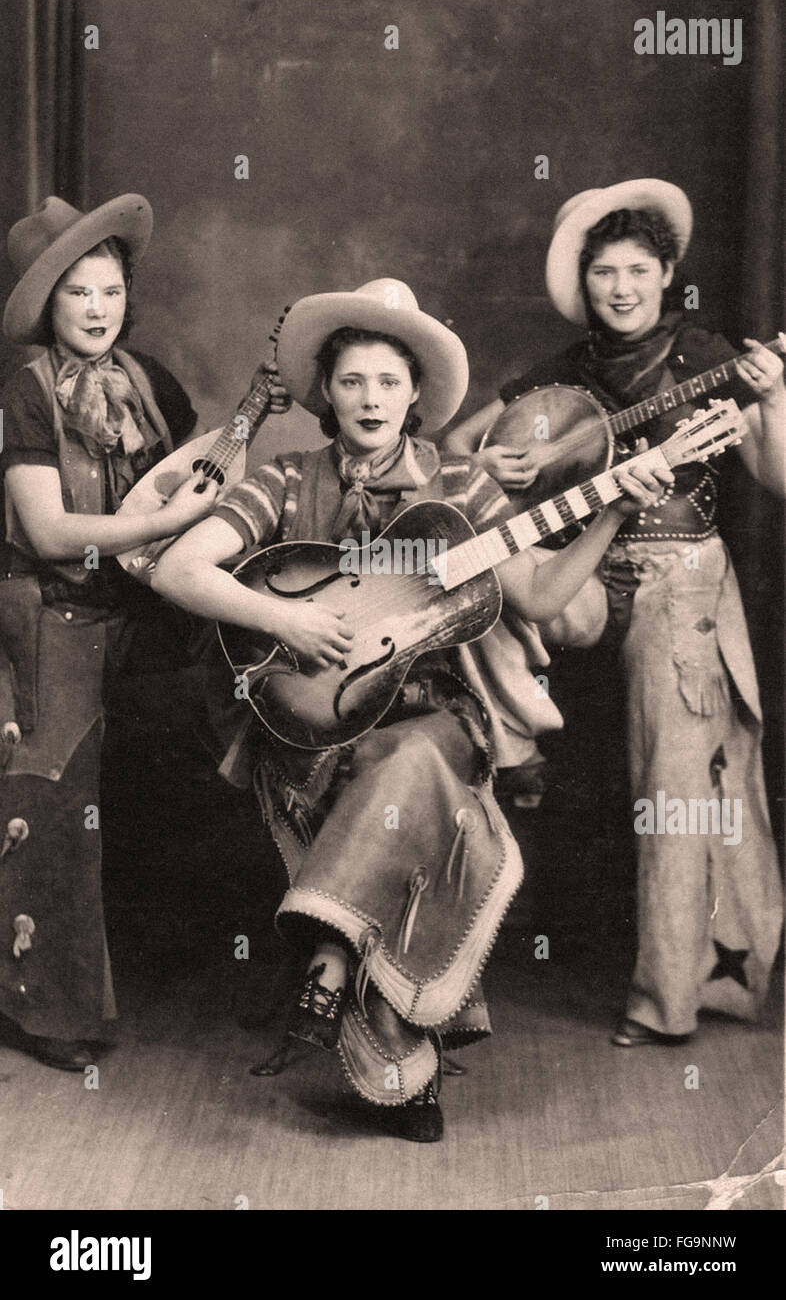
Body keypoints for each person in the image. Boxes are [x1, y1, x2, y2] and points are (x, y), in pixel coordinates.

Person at [151, 276, 668, 1140]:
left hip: (433, 716)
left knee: (415, 759)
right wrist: (285, 615)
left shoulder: (461, 486)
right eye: (352, 381)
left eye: (389, 382)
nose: (370, 400)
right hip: (317, 721)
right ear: (326, 392)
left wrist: (611, 508)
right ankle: (394, 1058)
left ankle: (329, 954)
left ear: (415, 393)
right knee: (402, 776)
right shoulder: (285, 479)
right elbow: (177, 569)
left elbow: (538, 595)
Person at [444, 179, 784, 1046]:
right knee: (468, 592)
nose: (622, 288)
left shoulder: (709, 356)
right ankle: (508, 742)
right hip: (588, 570)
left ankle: (667, 1001)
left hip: (682, 578)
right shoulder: (569, 369)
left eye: (638, 270)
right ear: (584, 282)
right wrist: (505, 464)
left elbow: (779, 479)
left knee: (673, 789)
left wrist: (773, 399)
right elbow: (455, 448)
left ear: (669, 274)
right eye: (604, 273)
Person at [0, 193, 221, 1071]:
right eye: (77, 295)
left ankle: (270, 960)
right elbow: (50, 534)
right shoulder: (24, 392)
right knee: (52, 796)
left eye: (109, 291)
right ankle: (45, 1011)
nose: (97, 310)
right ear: (49, 306)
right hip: (50, 614)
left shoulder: (152, 382)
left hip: (146, 613)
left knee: (253, 708)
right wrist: (146, 534)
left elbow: (201, 478)